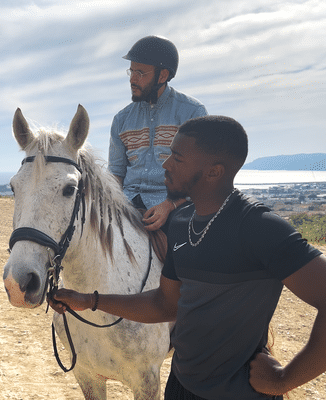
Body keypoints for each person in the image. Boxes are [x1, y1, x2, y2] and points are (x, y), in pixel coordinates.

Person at [50, 115, 326, 399]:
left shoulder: (260, 228)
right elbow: (165, 304)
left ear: (213, 172)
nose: (165, 165)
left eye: (177, 159)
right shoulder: (182, 222)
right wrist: (89, 301)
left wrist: (283, 381)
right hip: (180, 388)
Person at [108, 35, 208, 231]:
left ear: (162, 76)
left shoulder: (192, 112)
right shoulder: (121, 120)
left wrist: (169, 205)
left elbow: (200, 174)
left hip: (174, 205)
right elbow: (116, 173)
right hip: (126, 204)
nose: (132, 79)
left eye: (140, 73)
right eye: (131, 71)